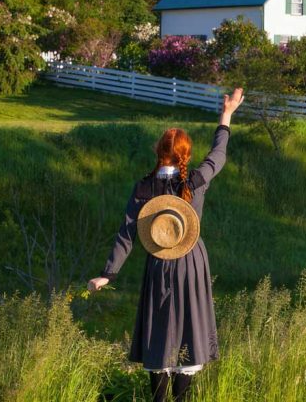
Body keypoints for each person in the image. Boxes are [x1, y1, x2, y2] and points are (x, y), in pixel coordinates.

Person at [88, 88, 244, 401]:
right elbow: (219, 154)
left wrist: (109, 274)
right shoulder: (196, 180)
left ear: (159, 151)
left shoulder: (144, 186)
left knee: (161, 332)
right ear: (185, 155)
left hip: (158, 262)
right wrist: (226, 115)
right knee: (187, 330)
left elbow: (127, 232)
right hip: (191, 262)